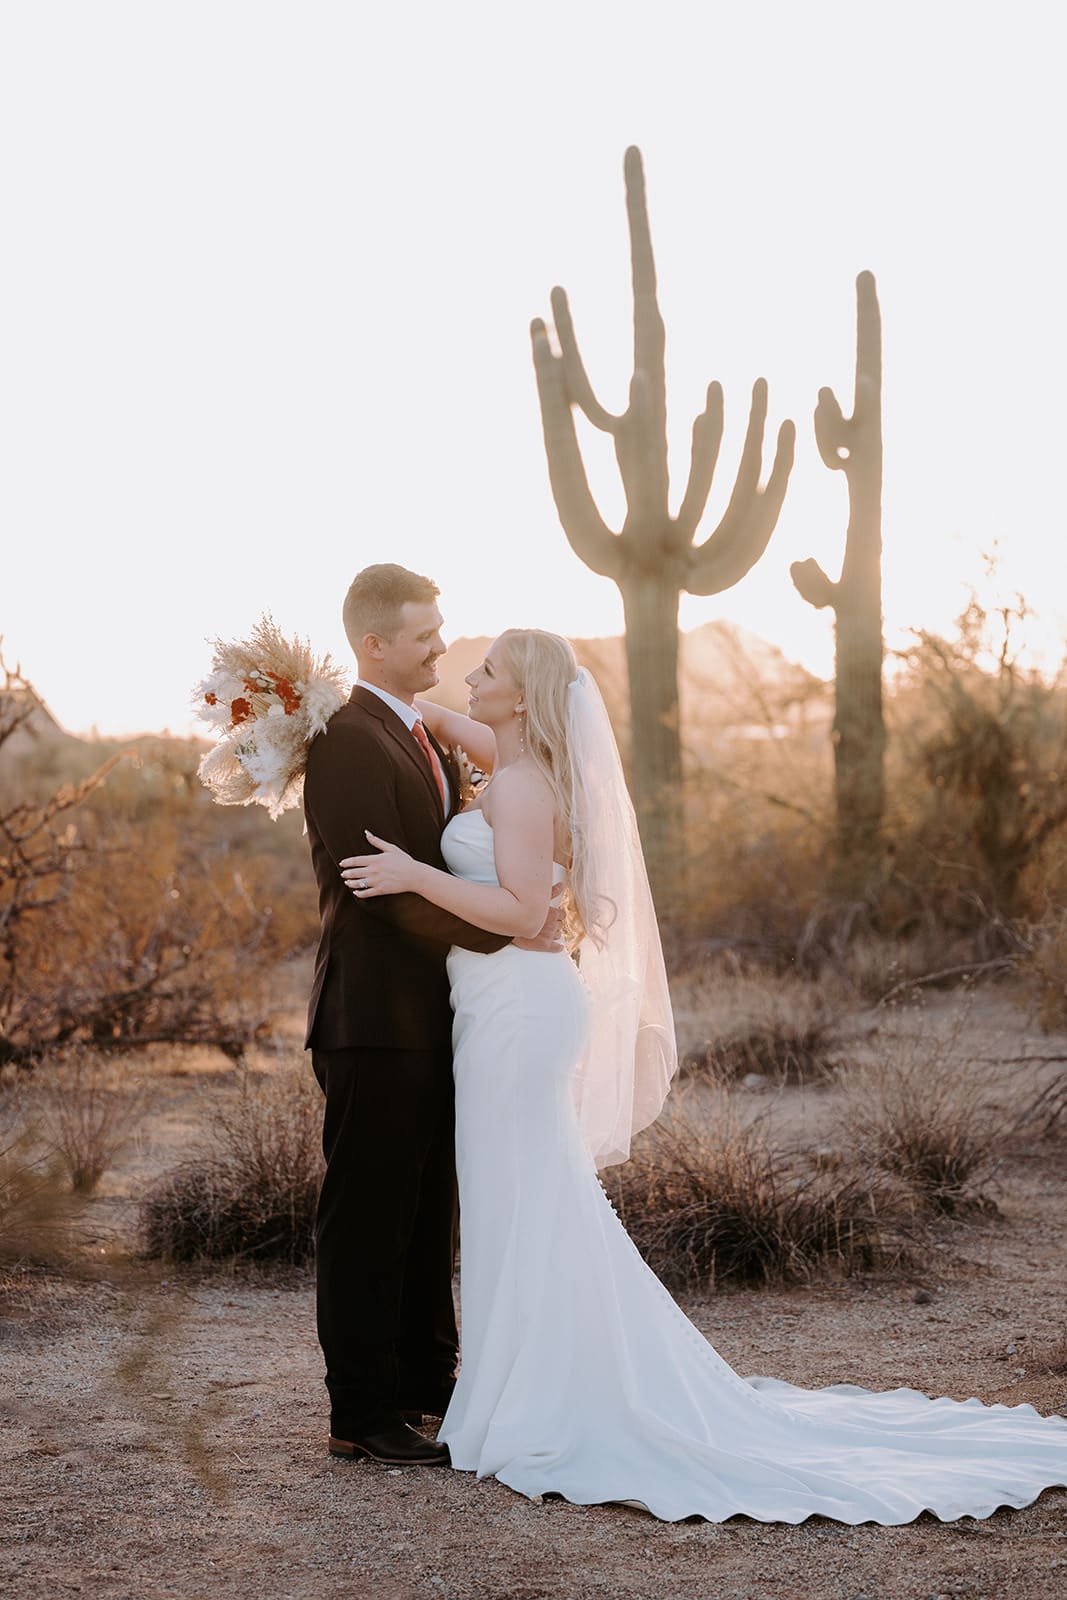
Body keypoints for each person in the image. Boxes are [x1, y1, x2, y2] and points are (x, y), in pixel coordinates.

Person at [340, 626, 1067, 1523]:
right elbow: (451, 725)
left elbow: (523, 907)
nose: (468, 674)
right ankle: (520, 1382)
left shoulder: (524, 786)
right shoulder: (515, 754)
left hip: (520, 1012)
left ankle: (545, 1395)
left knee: (523, 1194)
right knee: (513, 1198)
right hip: (500, 1008)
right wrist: (368, 701)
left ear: (521, 696)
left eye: (487, 671)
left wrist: (414, 873)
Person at [303, 565, 561, 1470]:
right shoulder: (346, 740)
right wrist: (510, 936)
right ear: (375, 644)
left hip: (443, 1016)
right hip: (372, 1018)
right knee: (369, 1216)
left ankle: (427, 1384)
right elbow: (379, 892)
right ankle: (362, 1411)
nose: (441, 644)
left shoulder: (414, 731)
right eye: (424, 633)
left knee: (427, 1212)